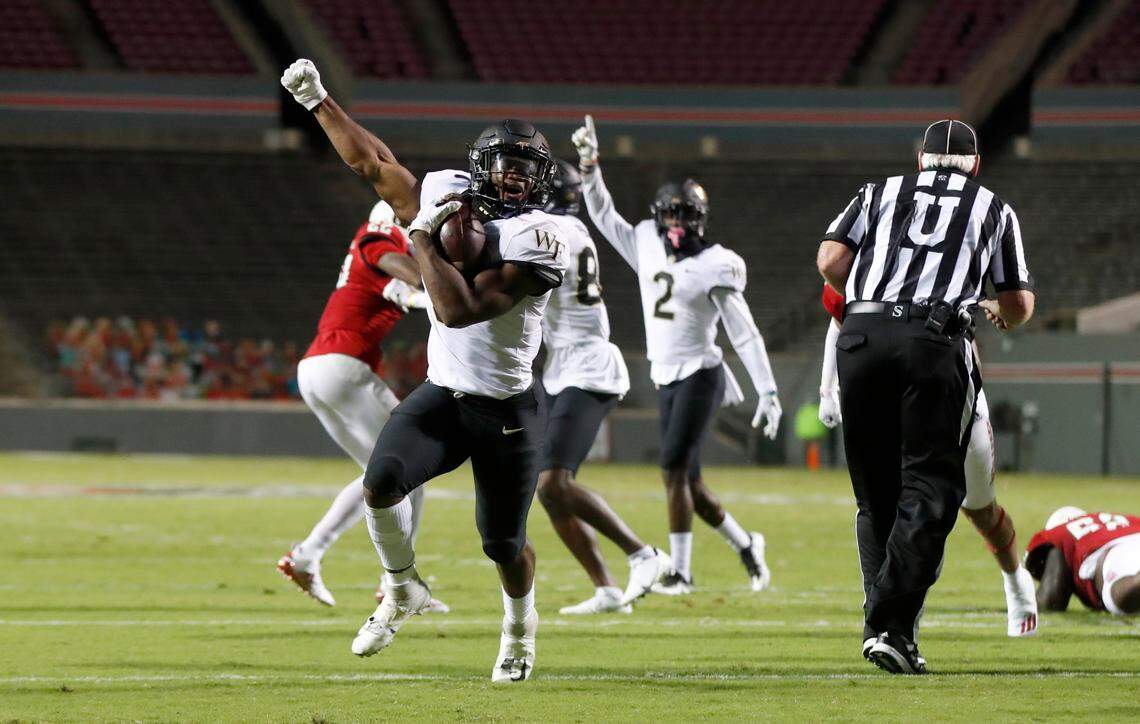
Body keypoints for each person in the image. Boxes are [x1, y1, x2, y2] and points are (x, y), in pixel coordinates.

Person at [282, 59, 568, 682]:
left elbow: (458, 310)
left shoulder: (542, 235)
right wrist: (319, 102)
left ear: (540, 179)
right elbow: (375, 165)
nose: (513, 179)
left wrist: (419, 237)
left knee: (502, 544)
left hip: (507, 410)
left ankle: (520, 628)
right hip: (445, 395)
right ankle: (400, 584)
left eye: (524, 169)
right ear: (483, 165)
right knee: (381, 482)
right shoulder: (449, 191)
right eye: (503, 166)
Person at [816, 119, 1035, 674]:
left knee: (875, 496)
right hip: (933, 341)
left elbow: (829, 262)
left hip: (860, 336)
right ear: (976, 166)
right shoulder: (991, 207)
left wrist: (878, 294)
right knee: (932, 489)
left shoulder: (878, 191)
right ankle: (889, 626)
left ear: (921, 161)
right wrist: (996, 312)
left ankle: (882, 622)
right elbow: (1019, 303)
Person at [572, 116, 781, 595]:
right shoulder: (645, 239)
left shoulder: (716, 263)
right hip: (665, 374)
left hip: (702, 373)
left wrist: (766, 389)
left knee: (671, 468)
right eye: (670, 214)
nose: (676, 224)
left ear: (700, 218)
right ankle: (747, 544)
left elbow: (744, 333)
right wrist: (589, 167)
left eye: (685, 215)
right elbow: (604, 216)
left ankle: (681, 573)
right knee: (692, 484)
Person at [815, 284, 1037, 637]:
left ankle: (1015, 578)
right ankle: (889, 622)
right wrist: (827, 388)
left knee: (979, 508)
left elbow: (1012, 297)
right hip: (890, 388)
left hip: (952, 394)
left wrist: (995, 304)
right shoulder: (876, 247)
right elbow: (842, 311)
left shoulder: (961, 238)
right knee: (890, 502)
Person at [276, 199, 446, 613]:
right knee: (411, 470)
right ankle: (398, 585)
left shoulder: (368, 261)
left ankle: (307, 555)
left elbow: (402, 292)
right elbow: (412, 276)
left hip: (321, 368)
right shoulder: (377, 235)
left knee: (379, 475)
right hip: (340, 366)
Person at [537, 159, 673, 615]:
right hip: (564, 366)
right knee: (549, 490)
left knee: (553, 481)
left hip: (588, 367)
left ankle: (644, 554)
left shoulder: (552, 231)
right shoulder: (567, 228)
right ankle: (607, 590)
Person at [1026, 507, 1140, 616]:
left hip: (1114, 552)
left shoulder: (1062, 534)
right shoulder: (1123, 522)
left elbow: (1050, 601)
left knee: (1120, 597)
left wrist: (1022, 604)